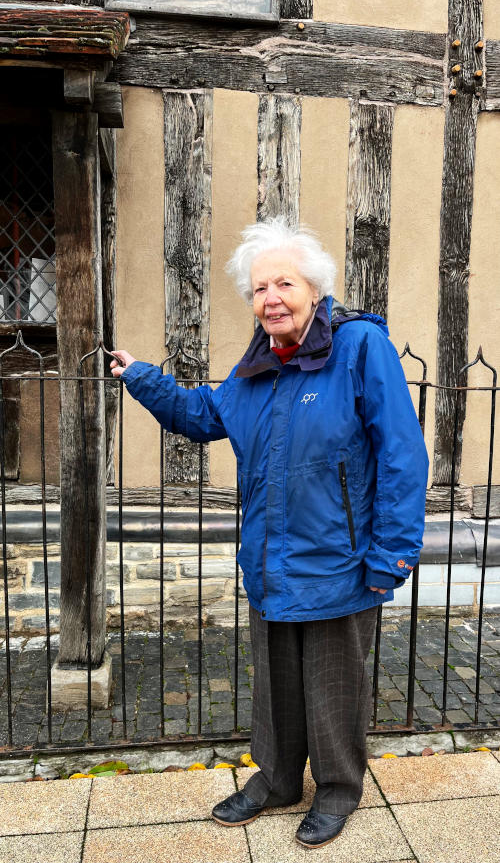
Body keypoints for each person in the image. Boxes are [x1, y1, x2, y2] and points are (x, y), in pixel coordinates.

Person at [110, 216, 428, 849]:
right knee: (277, 683)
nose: (271, 299)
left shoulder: (359, 348)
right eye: (258, 289)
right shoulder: (256, 368)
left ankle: (338, 788)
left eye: (284, 283)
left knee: (334, 686)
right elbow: (203, 414)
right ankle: (279, 780)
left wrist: (394, 551)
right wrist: (142, 377)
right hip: (270, 559)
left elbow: (402, 453)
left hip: (343, 557)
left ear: (314, 289)